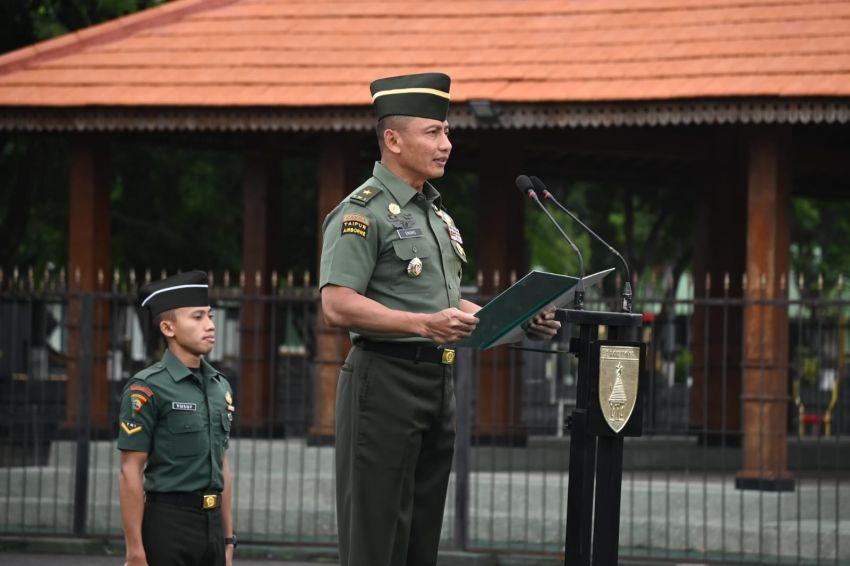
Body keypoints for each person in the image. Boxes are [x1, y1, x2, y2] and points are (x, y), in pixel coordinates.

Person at [319, 72, 560, 566]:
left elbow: (444, 299)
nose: (446, 144)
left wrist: (520, 316)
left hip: (436, 381)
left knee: (419, 538)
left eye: (446, 132)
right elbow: (338, 303)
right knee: (376, 536)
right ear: (393, 139)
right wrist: (423, 325)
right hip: (383, 380)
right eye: (433, 132)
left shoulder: (434, 213)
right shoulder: (362, 213)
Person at [117, 270, 236, 566]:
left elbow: (222, 463)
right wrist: (135, 550)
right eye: (197, 317)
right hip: (168, 526)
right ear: (168, 328)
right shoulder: (146, 387)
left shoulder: (220, 386)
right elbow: (130, 471)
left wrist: (228, 539)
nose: (210, 325)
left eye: (209, 316)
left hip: (212, 527)